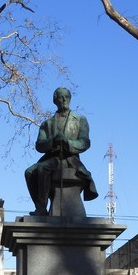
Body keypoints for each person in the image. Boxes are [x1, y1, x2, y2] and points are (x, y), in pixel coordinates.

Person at [24, 87, 98, 216]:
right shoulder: (47, 124)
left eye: (67, 97)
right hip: (52, 158)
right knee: (29, 172)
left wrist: (68, 142)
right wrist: (53, 141)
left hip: (70, 159)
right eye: (60, 97)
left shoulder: (80, 120)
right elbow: (39, 146)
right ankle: (39, 206)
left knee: (42, 169)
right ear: (55, 100)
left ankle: (41, 208)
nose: (64, 100)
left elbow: (85, 142)